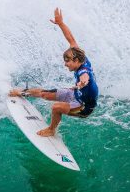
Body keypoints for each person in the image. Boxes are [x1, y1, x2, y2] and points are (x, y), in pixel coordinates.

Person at [9, 7, 99, 137]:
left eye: (67, 61)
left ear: (76, 60)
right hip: (76, 93)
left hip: (84, 106)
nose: (65, 64)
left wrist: (80, 85)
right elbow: (71, 40)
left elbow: (85, 79)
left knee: (56, 107)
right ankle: (22, 92)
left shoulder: (83, 71)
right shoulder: (80, 56)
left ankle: (51, 130)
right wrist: (61, 24)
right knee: (45, 94)